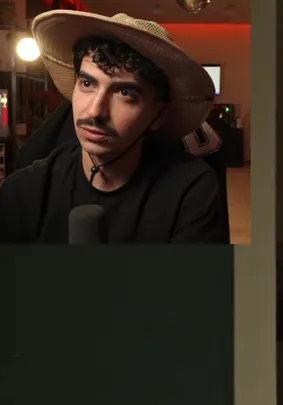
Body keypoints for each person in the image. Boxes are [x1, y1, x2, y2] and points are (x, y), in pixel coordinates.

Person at [0, 12, 227, 244]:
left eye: (124, 92)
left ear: (159, 114)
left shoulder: (192, 190)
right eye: (87, 83)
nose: (95, 111)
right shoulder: (24, 191)